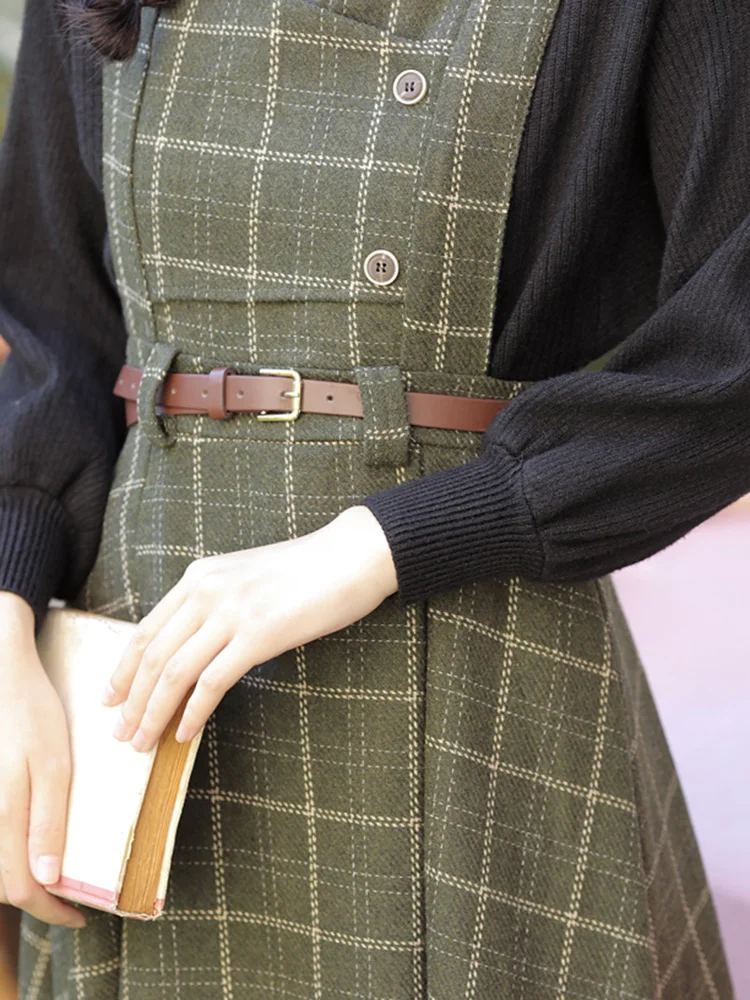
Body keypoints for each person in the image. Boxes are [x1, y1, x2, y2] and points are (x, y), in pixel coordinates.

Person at [0, 0, 747, 994]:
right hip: (145, 688)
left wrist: (377, 545)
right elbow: (57, 335)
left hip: (482, 666)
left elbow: (731, 351)